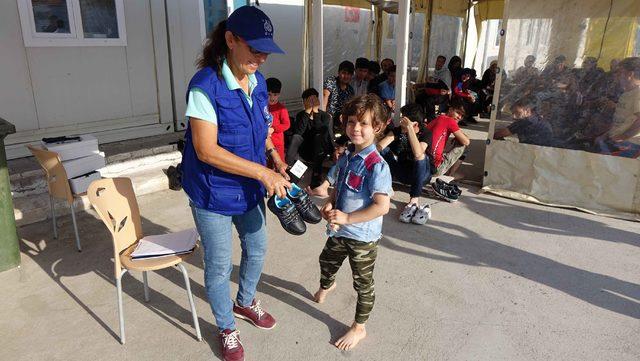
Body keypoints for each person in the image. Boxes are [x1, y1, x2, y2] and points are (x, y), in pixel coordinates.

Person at [181, 6, 289, 361]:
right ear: (230, 39)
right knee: (218, 263)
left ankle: (244, 302)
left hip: (248, 187)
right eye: (254, 48)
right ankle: (226, 326)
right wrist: (262, 173)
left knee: (257, 247)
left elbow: (261, 128)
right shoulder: (204, 86)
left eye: (265, 50)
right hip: (212, 191)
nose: (260, 57)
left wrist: (274, 157)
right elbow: (206, 149)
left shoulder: (256, 83)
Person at [313, 94, 392, 351]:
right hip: (339, 230)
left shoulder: (377, 166)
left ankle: (359, 327)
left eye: (364, 124)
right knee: (326, 261)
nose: (355, 128)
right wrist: (331, 205)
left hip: (362, 237)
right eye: (350, 122)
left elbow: (382, 206)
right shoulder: (346, 157)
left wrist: (348, 217)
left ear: (378, 127)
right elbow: (337, 188)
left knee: (363, 283)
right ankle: (328, 284)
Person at [377, 103, 432, 224]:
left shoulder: (426, 133)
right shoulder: (397, 131)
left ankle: (414, 200)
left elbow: (418, 153)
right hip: (402, 173)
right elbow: (380, 147)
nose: (401, 121)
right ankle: (383, 186)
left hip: (421, 176)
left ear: (415, 124)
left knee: (421, 157)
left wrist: (410, 130)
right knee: (383, 151)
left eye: (404, 119)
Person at [286, 88, 334, 187]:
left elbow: (321, 131)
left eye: (314, 100)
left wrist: (316, 113)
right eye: (308, 100)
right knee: (295, 137)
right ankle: (289, 167)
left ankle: (316, 176)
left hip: (319, 151)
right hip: (305, 150)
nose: (311, 103)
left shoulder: (325, 116)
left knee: (318, 137)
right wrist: (307, 113)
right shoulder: (301, 115)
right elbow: (299, 132)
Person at [595, 57, 640, 158]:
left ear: (630, 74)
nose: (616, 77)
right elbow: (621, 121)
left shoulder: (638, 94)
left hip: (629, 145)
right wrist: (605, 135)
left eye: (620, 73)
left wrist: (623, 137)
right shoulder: (626, 94)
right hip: (617, 141)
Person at [427, 101, 470, 200]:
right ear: (450, 109)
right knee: (464, 145)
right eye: (458, 113)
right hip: (435, 168)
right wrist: (461, 136)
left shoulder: (438, 118)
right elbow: (466, 141)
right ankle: (451, 173)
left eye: (462, 116)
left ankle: (448, 170)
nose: (459, 117)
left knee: (458, 140)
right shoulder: (450, 121)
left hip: (425, 163)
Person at [323, 60, 355, 131]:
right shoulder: (331, 81)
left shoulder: (350, 90)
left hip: (341, 118)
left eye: (349, 74)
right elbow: (325, 97)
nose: (346, 76)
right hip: (328, 116)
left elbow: (349, 107)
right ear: (338, 72)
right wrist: (323, 116)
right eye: (343, 73)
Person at [266, 77, 290, 162]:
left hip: (277, 144)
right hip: (264, 143)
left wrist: (273, 129)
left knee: (278, 164)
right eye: (269, 94)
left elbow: (286, 124)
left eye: (275, 95)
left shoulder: (281, 109)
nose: (272, 98)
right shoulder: (262, 106)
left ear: (279, 94)